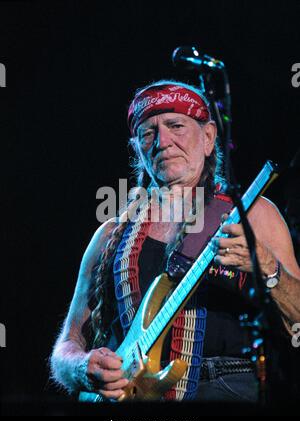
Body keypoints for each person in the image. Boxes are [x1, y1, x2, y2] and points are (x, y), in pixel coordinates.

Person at [50, 80, 300, 403]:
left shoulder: (254, 215)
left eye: (176, 125)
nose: (162, 142)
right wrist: (81, 367)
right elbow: (66, 345)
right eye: (148, 133)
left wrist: (267, 267)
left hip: (226, 387)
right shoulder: (110, 235)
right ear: (137, 148)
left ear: (209, 137)